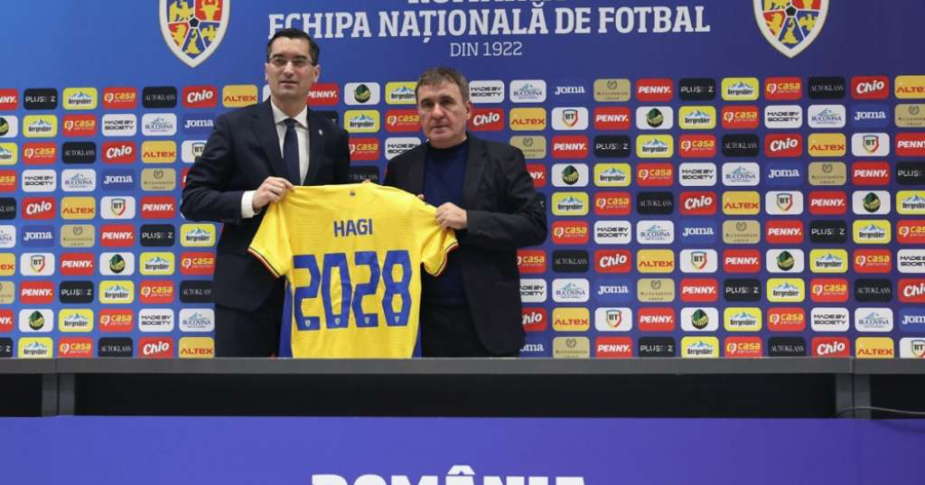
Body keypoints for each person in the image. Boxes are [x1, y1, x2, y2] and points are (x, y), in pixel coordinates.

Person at [181, 28, 350, 357]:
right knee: (239, 388)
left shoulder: (333, 136)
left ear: (315, 73)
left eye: (299, 62)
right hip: (244, 291)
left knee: (313, 386)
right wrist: (251, 200)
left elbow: (340, 209)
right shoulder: (233, 127)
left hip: (315, 293)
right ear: (266, 70)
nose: (288, 69)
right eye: (279, 60)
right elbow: (193, 199)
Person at [384, 67, 547, 357]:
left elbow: (534, 225)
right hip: (425, 322)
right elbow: (388, 243)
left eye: (446, 102)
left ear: (468, 109)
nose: (437, 113)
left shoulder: (503, 159)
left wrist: (470, 220)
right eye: (427, 105)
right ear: (418, 113)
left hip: (490, 321)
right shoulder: (401, 167)